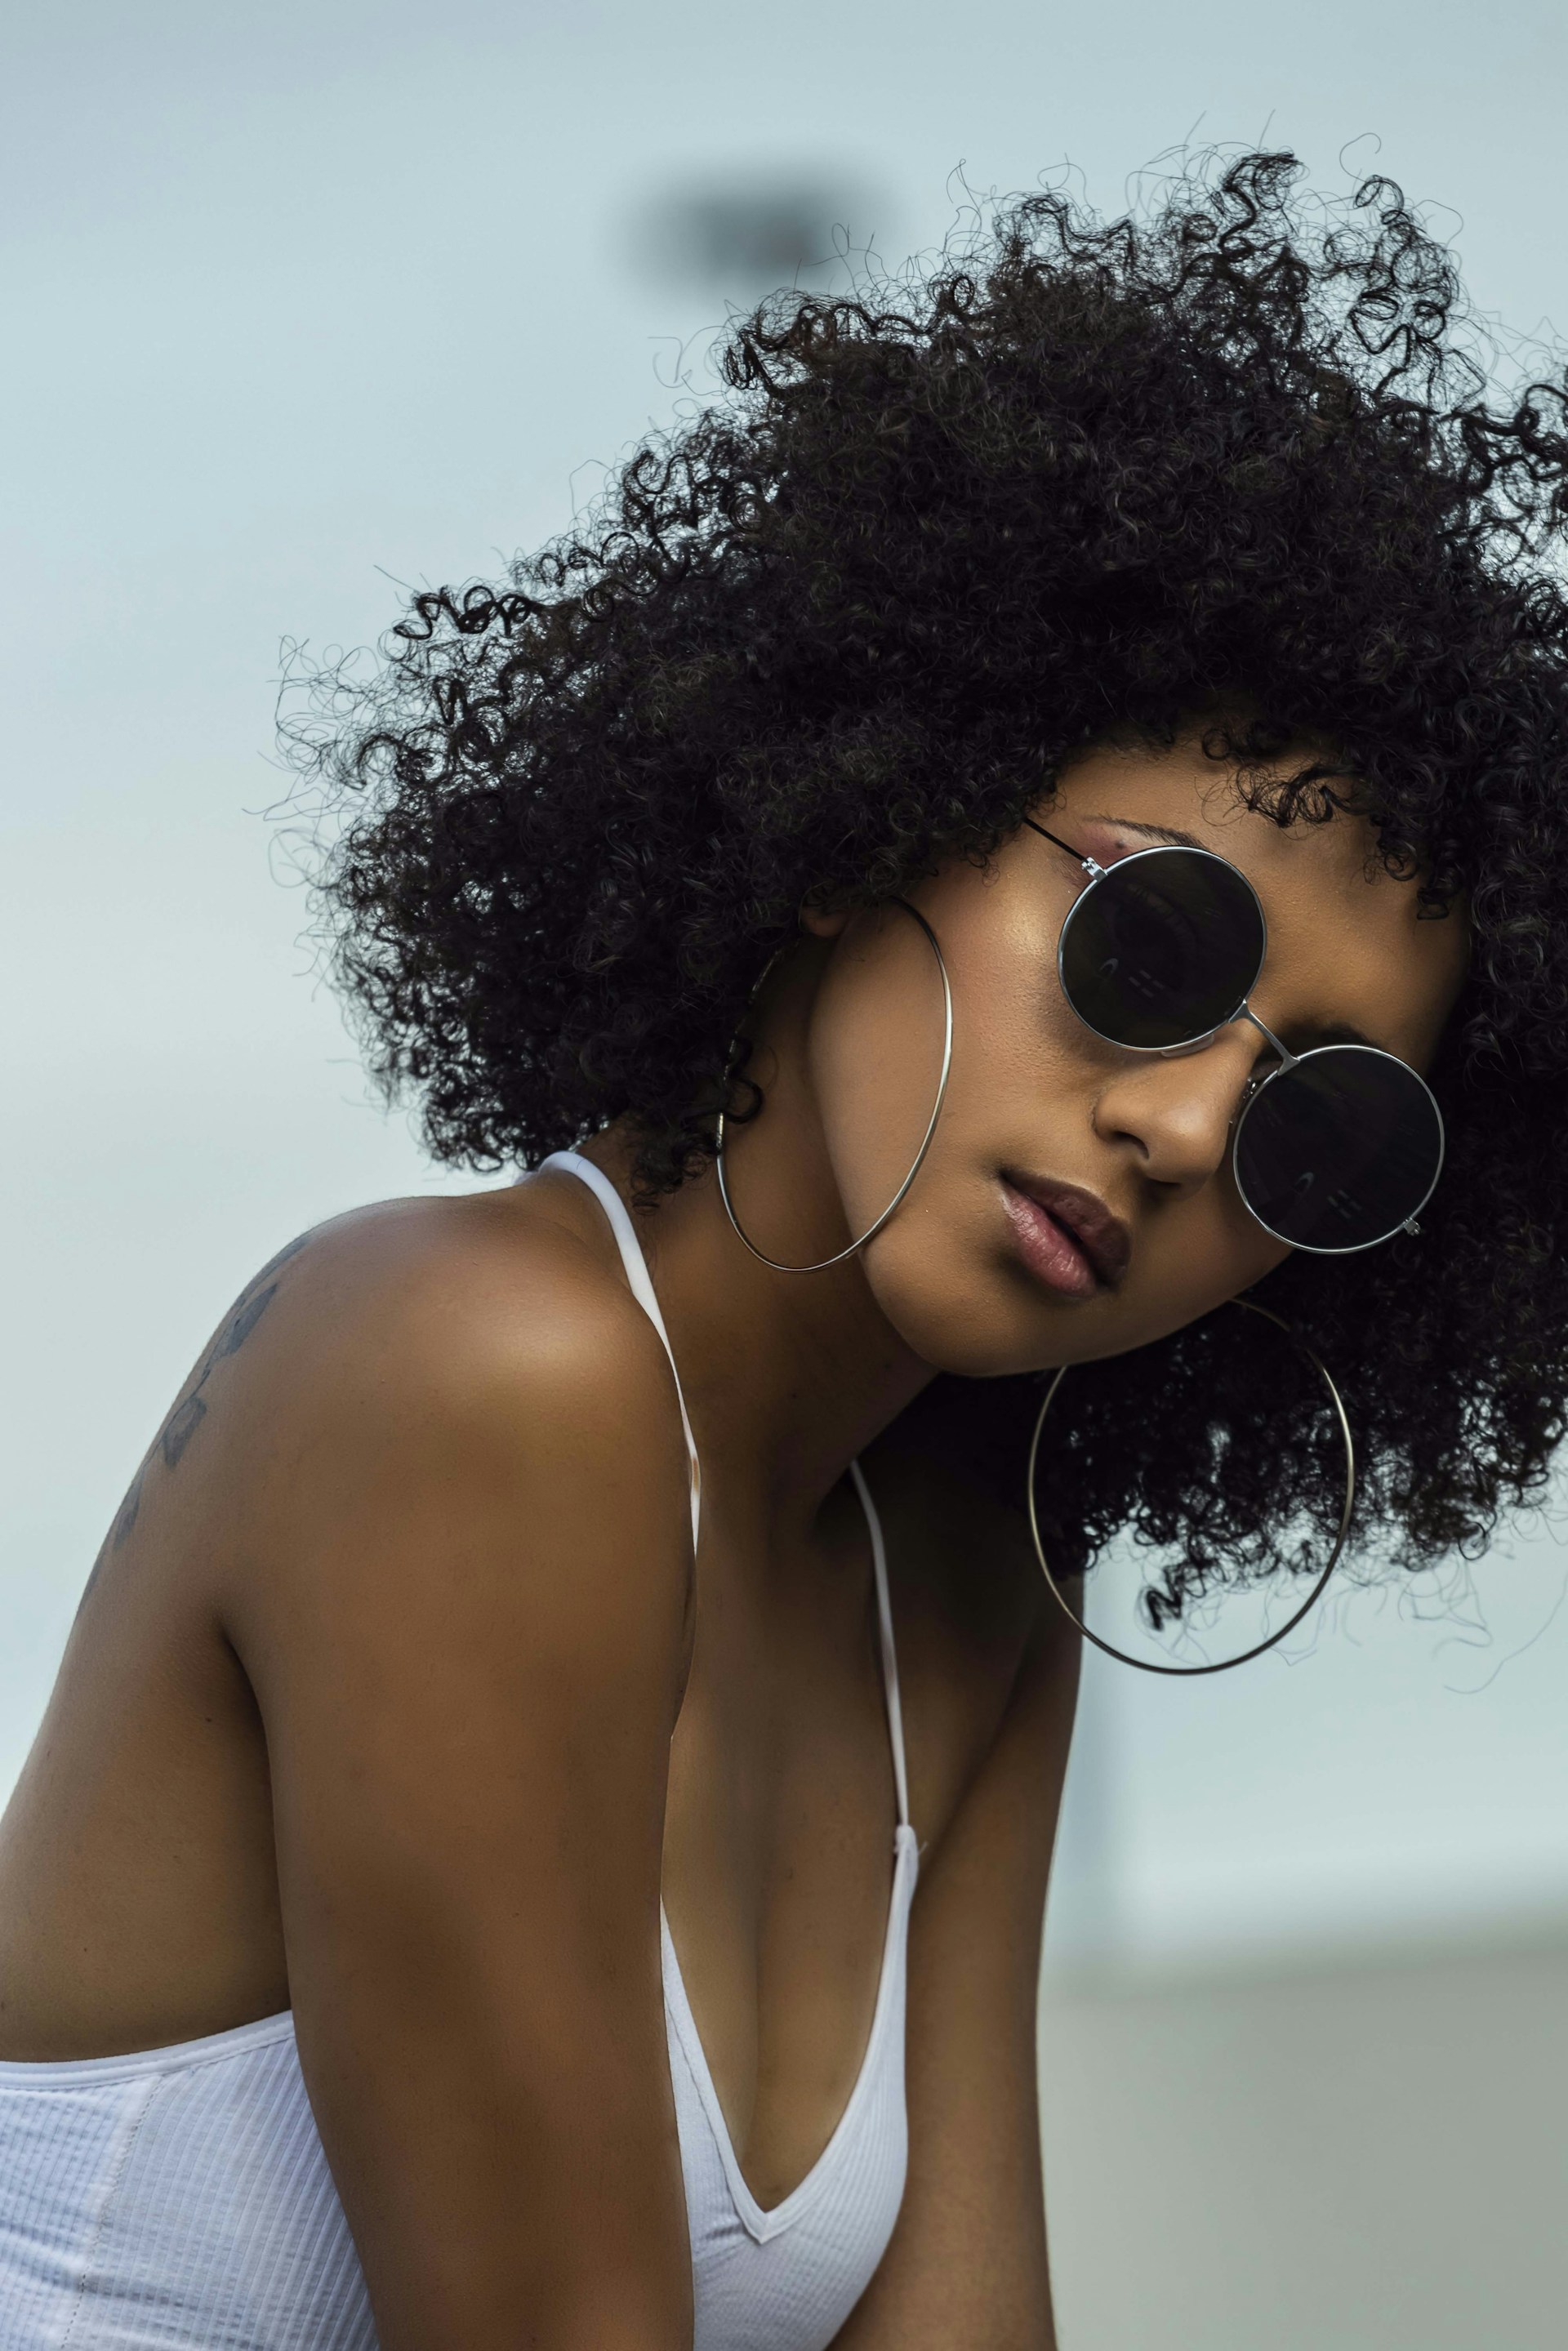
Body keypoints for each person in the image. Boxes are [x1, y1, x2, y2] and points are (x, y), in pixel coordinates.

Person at [2, 149, 1566, 2351]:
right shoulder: (477, 1371)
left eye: (1321, 1113)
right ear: (868, 817)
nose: (1191, 1120)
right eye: (1149, 939)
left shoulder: (975, 1579)